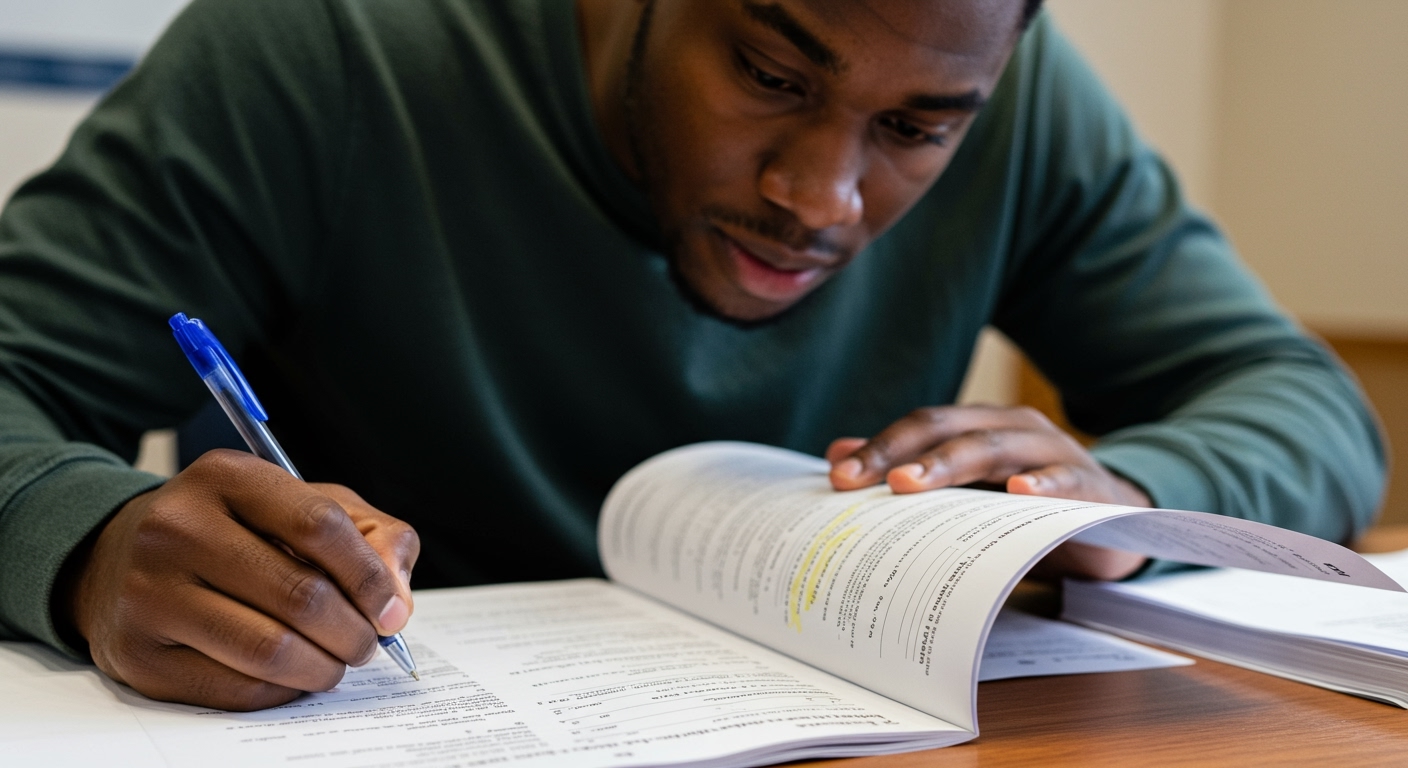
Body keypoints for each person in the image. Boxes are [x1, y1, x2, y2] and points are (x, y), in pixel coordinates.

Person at [0, 0, 1383, 713]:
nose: (823, 196)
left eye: (916, 131)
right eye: (773, 77)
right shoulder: (324, 53)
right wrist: (86, 538)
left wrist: (1122, 499)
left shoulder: (1003, 92)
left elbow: (1303, 404)